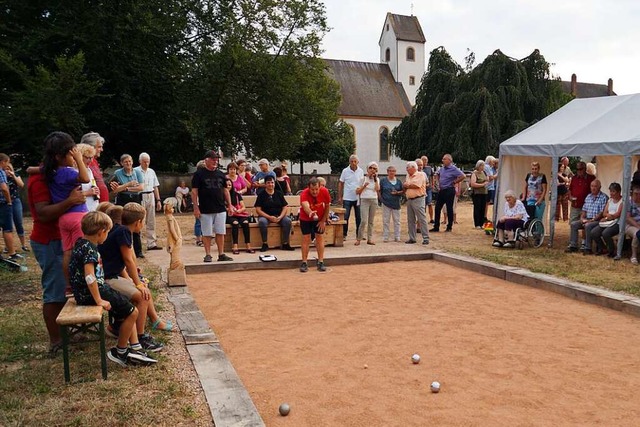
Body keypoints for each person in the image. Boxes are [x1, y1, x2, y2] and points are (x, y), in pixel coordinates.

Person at [69, 211, 156, 366]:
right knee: (133, 311)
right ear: (101, 232)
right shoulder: (91, 250)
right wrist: (99, 300)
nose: (108, 235)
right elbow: (90, 277)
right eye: (107, 232)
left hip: (85, 291)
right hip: (92, 292)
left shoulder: (81, 243)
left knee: (125, 306)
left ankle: (134, 346)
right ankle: (121, 351)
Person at [27, 159, 85, 355]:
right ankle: (56, 342)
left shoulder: (55, 173)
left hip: (62, 239)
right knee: (55, 291)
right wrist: (71, 200)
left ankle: (66, 332)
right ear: (60, 156)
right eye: (71, 153)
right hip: (48, 241)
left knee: (67, 287)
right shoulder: (39, 180)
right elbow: (43, 213)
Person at [99, 202, 167, 351]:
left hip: (111, 275)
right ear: (138, 222)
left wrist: (136, 280)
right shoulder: (124, 232)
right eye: (143, 222)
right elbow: (128, 260)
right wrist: (138, 284)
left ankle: (124, 327)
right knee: (142, 295)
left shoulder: (119, 229)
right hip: (107, 279)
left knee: (143, 289)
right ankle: (141, 338)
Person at [42, 132, 91, 284]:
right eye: (71, 155)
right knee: (82, 252)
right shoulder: (68, 172)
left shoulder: (51, 172)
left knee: (68, 253)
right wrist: (79, 159)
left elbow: (39, 169)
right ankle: (82, 283)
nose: (73, 158)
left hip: (64, 218)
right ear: (59, 157)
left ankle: (69, 285)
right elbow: (85, 178)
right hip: (78, 217)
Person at [192, 150, 233, 262]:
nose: (215, 161)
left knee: (220, 232)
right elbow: (194, 192)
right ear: (206, 160)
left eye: (216, 159)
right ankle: (208, 254)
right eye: (213, 159)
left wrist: (229, 205)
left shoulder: (221, 174)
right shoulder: (199, 174)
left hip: (220, 207)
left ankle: (221, 254)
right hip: (205, 208)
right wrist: (196, 207)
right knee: (207, 233)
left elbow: (225, 190)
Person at [110, 153, 145, 258]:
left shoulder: (137, 172)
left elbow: (141, 187)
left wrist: (126, 188)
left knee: (136, 222)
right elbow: (115, 189)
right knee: (121, 224)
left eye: (130, 161)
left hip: (135, 199)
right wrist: (128, 185)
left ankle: (138, 251)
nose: (128, 163)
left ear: (132, 162)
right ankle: (122, 248)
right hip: (122, 199)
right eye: (126, 162)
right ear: (121, 163)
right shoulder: (117, 173)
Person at [565, 180, 608, 253]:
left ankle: (588, 248)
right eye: (592, 186)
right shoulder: (588, 196)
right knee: (574, 224)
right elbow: (584, 210)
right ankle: (573, 245)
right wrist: (582, 218)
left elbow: (601, 213)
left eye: (595, 186)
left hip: (598, 220)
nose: (593, 188)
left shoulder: (603, 197)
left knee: (588, 225)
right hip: (587, 219)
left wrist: (592, 220)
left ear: (600, 187)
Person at [299, 177, 331, 272]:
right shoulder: (304, 193)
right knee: (306, 238)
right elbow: (305, 206)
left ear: (320, 187)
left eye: (316, 189)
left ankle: (320, 262)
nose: (315, 192)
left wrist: (323, 221)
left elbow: (327, 206)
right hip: (306, 218)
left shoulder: (325, 191)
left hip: (320, 217)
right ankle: (304, 262)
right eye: (312, 189)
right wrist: (310, 213)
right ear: (308, 187)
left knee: (319, 237)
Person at [255, 175, 294, 252]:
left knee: (288, 221)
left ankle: (285, 243)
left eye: (272, 183)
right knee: (262, 222)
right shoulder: (261, 195)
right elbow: (258, 209)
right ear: (265, 184)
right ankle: (265, 243)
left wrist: (280, 217)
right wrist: (269, 217)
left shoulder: (279, 193)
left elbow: (285, 207)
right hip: (265, 216)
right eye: (268, 183)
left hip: (279, 215)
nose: (270, 184)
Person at [134, 152, 163, 251]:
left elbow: (155, 186)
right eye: (144, 162)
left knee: (151, 220)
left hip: (150, 195)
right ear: (140, 161)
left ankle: (151, 243)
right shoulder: (136, 171)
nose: (146, 164)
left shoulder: (151, 171)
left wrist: (158, 200)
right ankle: (139, 244)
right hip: (140, 195)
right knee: (140, 219)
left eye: (148, 162)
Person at [430, 154, 465, 232]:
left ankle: (449, 226)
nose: (443, 160)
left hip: (449, 190)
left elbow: (463, 176)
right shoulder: (442, 169)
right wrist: (438, 183)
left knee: (449, 208)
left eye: (444, 159)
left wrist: (455, 181)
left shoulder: (454, 169)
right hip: (442, 190)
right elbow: (437, 174)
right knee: (437, 208)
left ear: (449, 160)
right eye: (442, 159)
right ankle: (436, 226)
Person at [588, 182, 623, 257]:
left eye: (613, 191)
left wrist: (609, 216)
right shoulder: (610, 200)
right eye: (610, 191)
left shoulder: (622, 201)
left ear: (619, 192)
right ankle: (602, 248)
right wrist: (608, 217)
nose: (611, 193)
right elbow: (604, 212)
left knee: (606, 233)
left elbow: (618, 214)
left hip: (617, 223)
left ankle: (612, 251)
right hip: (608, 221)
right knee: (594, 232)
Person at [225, 178, 254, 254]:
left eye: (230, 185)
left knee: (245, 223)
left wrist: (239, 210)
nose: (228, 186)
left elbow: (243, 207)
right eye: (226, 185)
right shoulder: (222, 195)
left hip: (239, 214)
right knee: (235, 223)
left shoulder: (237, 194)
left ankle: (248, 245)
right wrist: (229, 209)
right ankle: (235, 246)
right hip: (229, 215)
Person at [4, 161, 28, 252]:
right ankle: (8, 247)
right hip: (5, 202)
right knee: (7, 225)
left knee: (19, 223)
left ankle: (23, 245)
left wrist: (13, 176)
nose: (7, 170)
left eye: (8, 169)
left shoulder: (15, 175)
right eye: (5, 169)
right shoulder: (2, 177)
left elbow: (21, 185)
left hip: (15, 201)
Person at [338, 155, 364, 239]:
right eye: (352, 161)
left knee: (359, 217)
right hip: (347, 198)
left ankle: (359, 235)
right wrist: (340, 196)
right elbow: (341, 183)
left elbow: (362, 183)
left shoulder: (361, 171)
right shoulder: (345, 171)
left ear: (357, 162)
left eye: (355, 161)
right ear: (349, 162)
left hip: (357, 198)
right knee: (345, 217)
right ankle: (344, 234)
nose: (353, 163)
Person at [403, 161, 430, 244]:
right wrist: (408, 185)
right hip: (410, 199)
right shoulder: (408, 176)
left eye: (408, 168)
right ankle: (412, 238)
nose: (407, 170)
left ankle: (425, 237)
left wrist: (408, 185)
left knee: (421, 218)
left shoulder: (421, 174)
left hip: (418, 198)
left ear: (413, 168)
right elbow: (405, 184)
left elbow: (417, 185)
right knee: (410, 219)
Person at [355, 161, 380, 246]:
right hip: (364, 200)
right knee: (364, 220)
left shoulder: (377, 179)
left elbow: (377, 189)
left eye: (374, 168)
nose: (372, 170)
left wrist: (375, 179)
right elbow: (357, 191)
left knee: (371, 221)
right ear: (367, 169)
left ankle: (369, 239)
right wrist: (364, 186)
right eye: (371, 168)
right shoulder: (363, 179)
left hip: (373, 200)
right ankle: (359, 238)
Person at [80, 132, 109, 203]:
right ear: (90, 147)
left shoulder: (94, 162)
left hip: (100, 206)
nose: (102, 150)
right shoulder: (83, 163)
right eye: (99, 147)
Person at [379, 165, 403, 242]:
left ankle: (397, 236)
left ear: (395, 172)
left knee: (397, 221)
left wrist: (397, 192)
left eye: (393, 171)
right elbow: (380, 191)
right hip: (386, 203)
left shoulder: (399, 181)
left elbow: (403, 191)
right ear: (387, 172)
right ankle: (386, 237)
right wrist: (381, 200)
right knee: (386, 221)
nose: (392, 172)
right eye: (390, 171)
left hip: (396, 203)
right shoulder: (383, 181)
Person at [75, 143, 100, 212]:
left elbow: (92, 186)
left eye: (92, 157)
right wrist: (87, 193)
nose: (91, 160)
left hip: (93, 207)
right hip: (81, 210)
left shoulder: (89, 170)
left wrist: (96, 190)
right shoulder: (73, 171)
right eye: (87, 158)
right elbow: (70, 195)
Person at [470, 160, 489, 229]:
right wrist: (482, 184)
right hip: (477, 194)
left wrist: (487, 181)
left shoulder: (484, 172)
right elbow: (473, 184)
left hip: (484, 193)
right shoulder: (474, 173)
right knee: (477, 208)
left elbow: (487, 180)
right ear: (479, 166)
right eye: (482, 165)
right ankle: (477, 224)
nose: (483, 167)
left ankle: (481, 223)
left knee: (483, 208)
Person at [626, 185, 640, 265]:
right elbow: (628, 218)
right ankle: (633, 256)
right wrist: (638, 226)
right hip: (630, 225)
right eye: (636, 194)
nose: (638, 196)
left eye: (639, 194)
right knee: (637, 233)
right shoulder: (629, 203)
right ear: (632, 194)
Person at [484, 155, 498, 221]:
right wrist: (497, 174)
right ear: (489, 161)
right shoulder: (487, 167)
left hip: (490, 187)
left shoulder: (489, 167)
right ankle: (484, 216)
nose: (493, 163)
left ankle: (485, 216)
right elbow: (491, 177)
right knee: (486, 203)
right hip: (489, 187)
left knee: (487, 202)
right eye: (493, 161)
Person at [421, 155, 434, 223]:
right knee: (423, 204)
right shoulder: (419, 168)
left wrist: (432, 184)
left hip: (428, 189)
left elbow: (432, 176)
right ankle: (423, 219)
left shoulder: (429, 168)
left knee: (430, 203)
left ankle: (431, 218)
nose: (425, 162)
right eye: (423, 160)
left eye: (426, 160)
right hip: (421, 189)